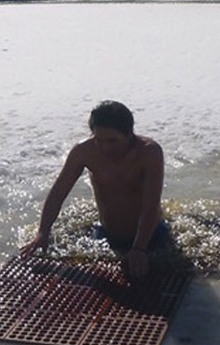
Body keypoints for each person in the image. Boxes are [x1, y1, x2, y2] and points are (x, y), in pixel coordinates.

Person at [20, 101, 170, 278]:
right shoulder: (83, 152)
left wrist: (139, 248)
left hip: (151, 235)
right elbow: (58, 193)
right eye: (99, 140)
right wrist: (42, 232)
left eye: (112, 141)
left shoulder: (149, 152)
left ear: (129, 134)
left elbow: (151, 204)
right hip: (107, 233)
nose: (105, 148)